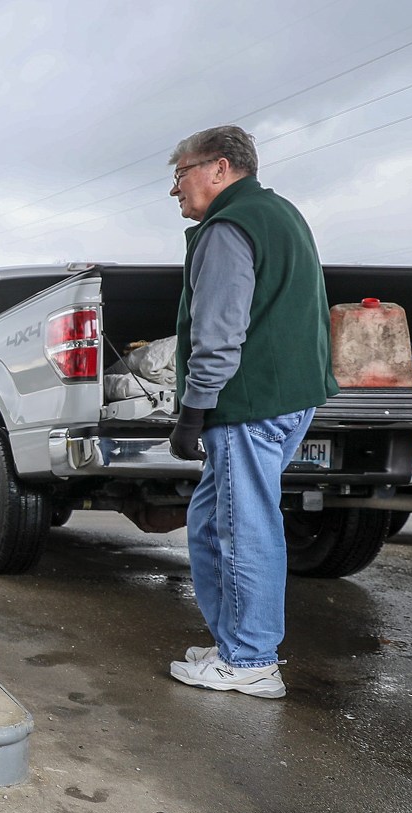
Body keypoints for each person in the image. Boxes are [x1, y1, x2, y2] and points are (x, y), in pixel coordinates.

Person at [165, 124, 337, 699]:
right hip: (285, 398)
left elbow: (219, 332)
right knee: (211, 520)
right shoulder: (279, 213)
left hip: (249, 404)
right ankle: (234, 642)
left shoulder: (228, 227)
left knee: (243, 528)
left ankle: (251, 659)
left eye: (180, 173)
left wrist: (194, 408)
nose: (175, 189)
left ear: (219, 167)